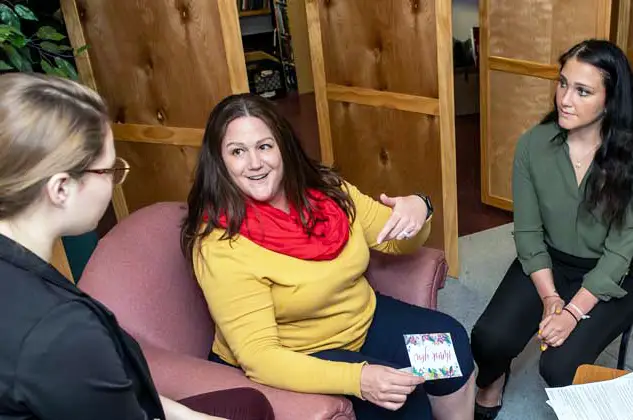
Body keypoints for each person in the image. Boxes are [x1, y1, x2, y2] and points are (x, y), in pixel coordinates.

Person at [181, 93, 476, 420]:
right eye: (238, 152)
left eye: (264, 146)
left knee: (451, 350)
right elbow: (260, 357)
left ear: (284, 148)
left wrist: (420, 208)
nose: (254, 163)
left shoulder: (327, 191)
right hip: (298, 353)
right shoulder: (220, 244)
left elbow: (396, 241)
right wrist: (358, 378)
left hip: (362, 322)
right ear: (219, 162)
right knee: (404, 402)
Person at [0, 73, 275, 420]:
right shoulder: (61, 333)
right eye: (108, 169)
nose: (115, 179)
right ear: (61, 189)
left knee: (246, 405)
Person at [471, 39, 633, 420]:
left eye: (582, 91)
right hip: (550, 259)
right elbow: (527, 232)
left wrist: (572, 312)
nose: (565, 98)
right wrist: (549, 299)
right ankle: (492, 381)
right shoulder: (533, 145)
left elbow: (622, 250)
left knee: (560, 368)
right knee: (488, 339)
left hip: (614, 273)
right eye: (562, 84)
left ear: (609, 101)